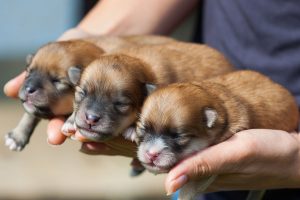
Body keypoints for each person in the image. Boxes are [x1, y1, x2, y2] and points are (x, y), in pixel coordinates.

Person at [4, 0, 300, 199]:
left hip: (238, 127)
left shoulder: (170, 90)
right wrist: (87, 41)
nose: (90, 115)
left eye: (121, 105)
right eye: (82, 93)